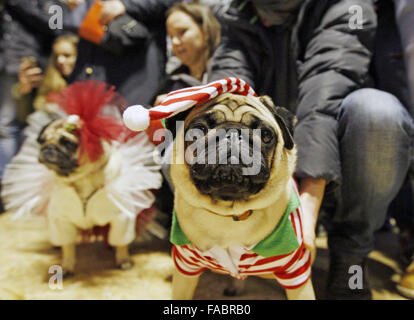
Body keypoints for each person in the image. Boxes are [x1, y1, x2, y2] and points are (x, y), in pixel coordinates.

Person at [207, 0, 414, 299]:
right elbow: (230, 97)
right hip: (274, 150)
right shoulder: (236, 13)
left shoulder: (349, 7)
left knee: (377, 114)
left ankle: (351, 257)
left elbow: (323, 99)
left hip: (342, 158)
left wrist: (306, 204)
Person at [0, 0, 63, 213]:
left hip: (34, 65)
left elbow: (56, 24)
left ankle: (16, 192)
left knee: (15, 127)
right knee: (8, 127)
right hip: (8, 63)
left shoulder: (48, 3)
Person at [13, 35, 79, 117]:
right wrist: (24, 91)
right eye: (56, 56)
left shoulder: (88, 86)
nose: (60, 61)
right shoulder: (48, 83)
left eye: (67, 55)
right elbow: (25, 116)